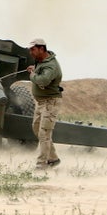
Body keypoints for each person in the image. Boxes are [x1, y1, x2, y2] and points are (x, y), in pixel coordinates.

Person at [26, 38, 63, 170]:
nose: (30, 52)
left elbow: (43, 80)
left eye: (33, 49)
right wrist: (34, 69)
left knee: (44, 133)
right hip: (41, 102)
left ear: (42, 49)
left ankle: (42, 164)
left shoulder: (51, 66)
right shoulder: (41, 61)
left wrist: (32, 74)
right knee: (37, 128)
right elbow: (40, 72)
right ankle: (53, 158)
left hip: (50, 103)